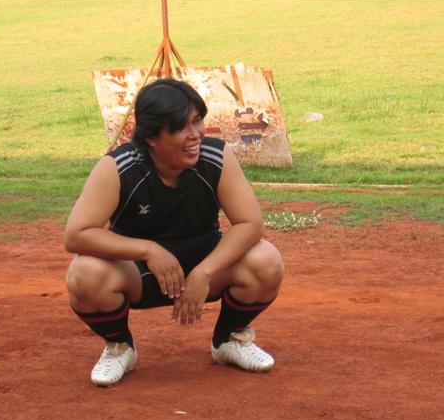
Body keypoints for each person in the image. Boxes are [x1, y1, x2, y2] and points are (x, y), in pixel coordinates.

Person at [64, 78, 283, 387]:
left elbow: (251, 224)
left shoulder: (216, 157)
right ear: (152, 137)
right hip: (138, 272)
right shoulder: (118, 167)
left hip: (203, 264)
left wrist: (204, 272)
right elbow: (76, 234)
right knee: (84, 273)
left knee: (266, 260)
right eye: (181, 127)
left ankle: (229, 339)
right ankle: (119, 347)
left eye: (198, 121)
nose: (195, 135)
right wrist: (149, 251)